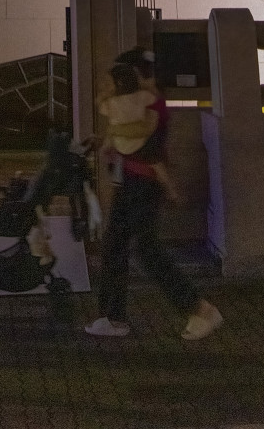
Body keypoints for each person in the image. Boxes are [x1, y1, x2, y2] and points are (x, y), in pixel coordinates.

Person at [85, 48, 223, 341]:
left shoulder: (152, 106)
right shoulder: (145, 103)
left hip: (142, 184)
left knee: (146, 251)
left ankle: (199, 309)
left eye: (124, 74)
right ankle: (113, 317)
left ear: (136, 74)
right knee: (116, 246)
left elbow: (150, 152)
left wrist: (169, 185)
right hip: (132, 181)